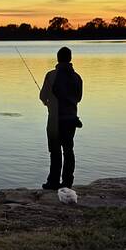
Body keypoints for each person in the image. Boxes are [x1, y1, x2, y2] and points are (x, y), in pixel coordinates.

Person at [39, 46, 83, 190]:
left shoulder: (51, 75)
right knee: (68, 150)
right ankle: (67, 183)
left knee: (55, 151)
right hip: (71, 120)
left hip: (55, 121)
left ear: (57, 58)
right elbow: (79, 98)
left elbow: (42, 96)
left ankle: (53, 182)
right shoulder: (77, 77)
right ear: (70, 59)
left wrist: (47, 102)